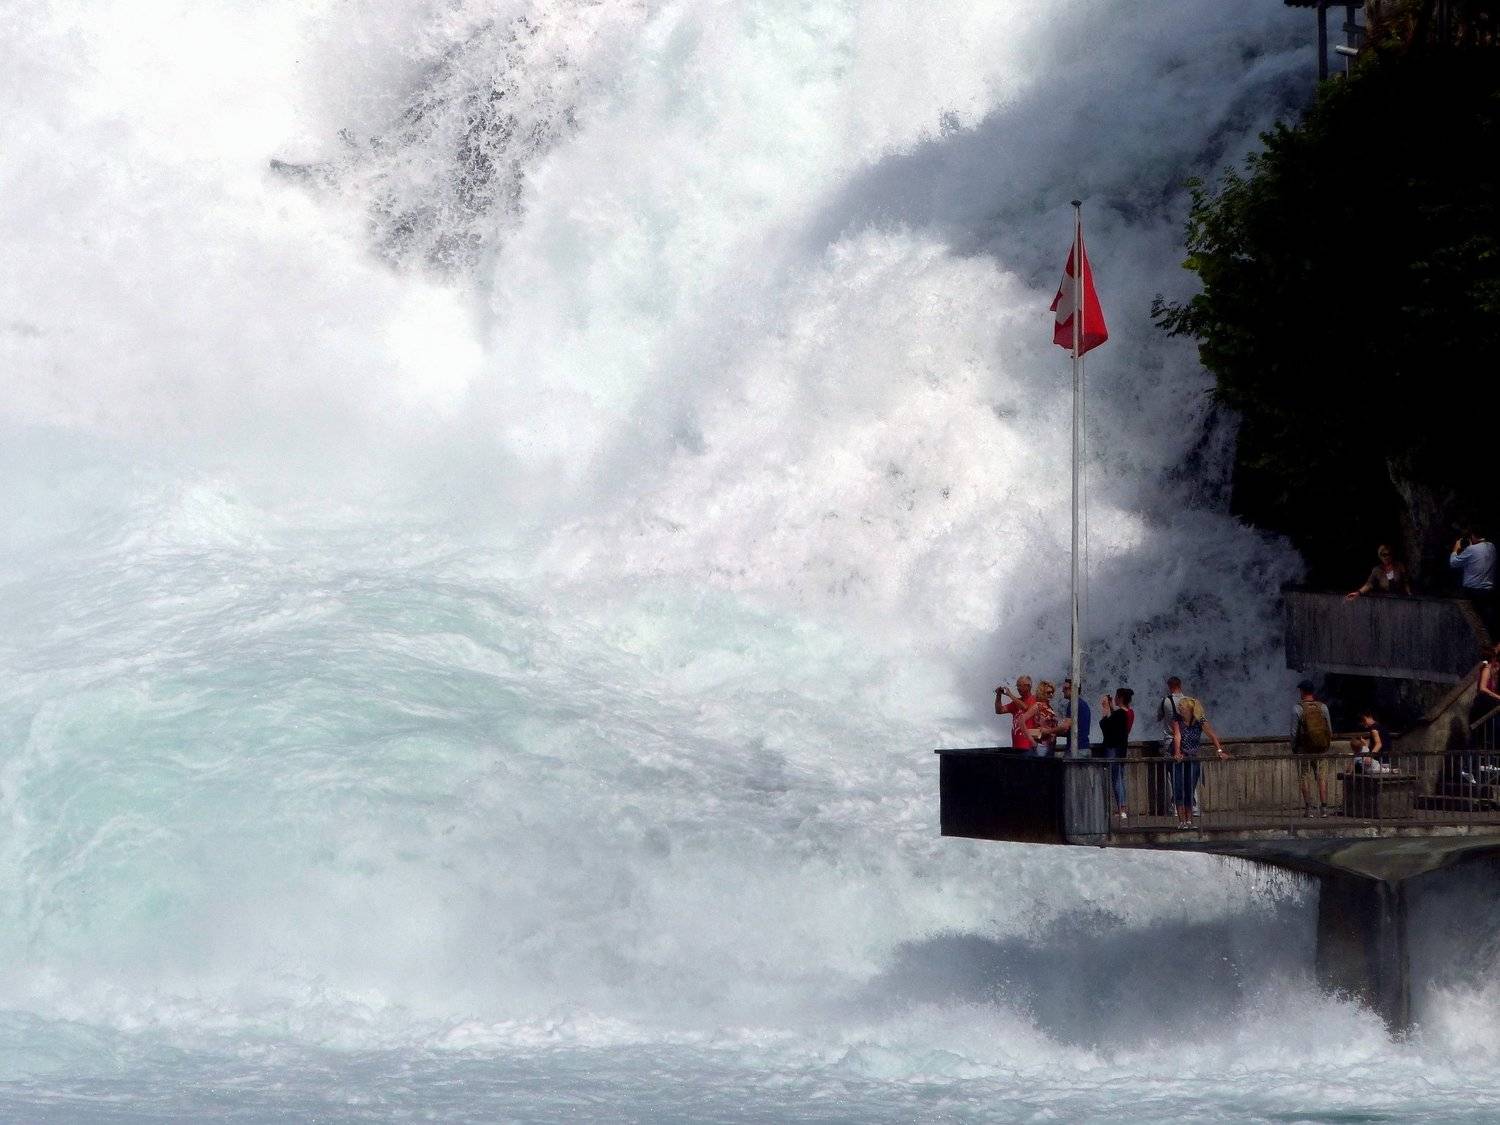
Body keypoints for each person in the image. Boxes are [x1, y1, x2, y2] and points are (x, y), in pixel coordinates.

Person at [1168, 693, 1227, 828]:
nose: (1179, 708)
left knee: (1190, 788)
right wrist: (1177, 753)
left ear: (1189, 709)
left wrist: (1219, 751)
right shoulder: (1176, 719)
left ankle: (1189, 821)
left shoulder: (1200, 720)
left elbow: (1212, 735)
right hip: (1179, 758)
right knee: (1178, 788)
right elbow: (1177, 736)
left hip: (1193, 757)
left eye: (1182, 707)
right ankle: (1182, 822)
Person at [1292, 679, 1334, 817]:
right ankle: (1324, 809)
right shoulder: (1323, 707)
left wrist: (1294, 748)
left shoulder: (1297, 708)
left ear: (1302, 691)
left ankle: (1308, 810)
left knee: (1304, 777)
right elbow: (1329, 729)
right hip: (1321, 749)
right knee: (1322, 778)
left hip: (1304, 750)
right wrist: (1325, 744)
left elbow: (1293, 732)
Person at [1450, 527, 1496, 635]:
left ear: (1473, 536)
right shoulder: (1491, 547)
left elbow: (1453, 563)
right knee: (1487, 618)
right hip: (1488, 590)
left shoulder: (1471, 550)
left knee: (1475, 620)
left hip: (1473, 590)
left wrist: (1455, 549)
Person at [1097, 687, 1134, 819]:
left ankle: (1121, 809)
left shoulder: (1119, 714)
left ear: (1121, 698)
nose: (1115, 699)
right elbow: (1116, 726)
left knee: (1116, 779)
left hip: (1112, 749)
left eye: (1117, 697)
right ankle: (1122, 807)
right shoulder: (1129, 713)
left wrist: (1105, 709)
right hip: (1122, 749)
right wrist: (1111, 708)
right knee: (1120, 778)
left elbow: (1105, 726)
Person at [1345, 545, 1413, 600]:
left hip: (1399, 597)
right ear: (1380, 556)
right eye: (1384, 555)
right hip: (1385, 599)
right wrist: (1358, 593)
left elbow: (1406, 581)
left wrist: (1409, 594)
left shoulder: (1399, 566)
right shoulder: (1377, 570)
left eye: (1389, 554)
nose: (1387, 557)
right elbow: (1369, 584)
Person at [995, 676, 1038, 754]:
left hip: (1029, 746)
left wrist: (1010, 695)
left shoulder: (1035, 699)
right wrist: (998, 696)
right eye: (1017, 686)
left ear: (1028, 686)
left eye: (1020, 685)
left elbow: (1025, 707)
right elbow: (999, 710)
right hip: (1017, 746)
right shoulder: (1016, 702)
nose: (1018, 688)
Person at [1056, 677, 1092, 758]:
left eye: (1065, 688)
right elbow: (1073, 730)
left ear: (1073, 689)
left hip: (1076, 750)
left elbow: (1065, 727)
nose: (1062, 691)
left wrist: (1049, 731)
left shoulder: (1073, 704)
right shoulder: (1083, 704)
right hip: (1084, 748)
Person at [1031, 681, 1060, 756]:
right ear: (1042, 693)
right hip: (1041, 745)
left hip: (1051, 744)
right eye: (1048, 693)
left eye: (1052, 692)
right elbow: (1026, 726)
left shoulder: (1049, 707)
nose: (1051, 695)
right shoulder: (1037, 706)